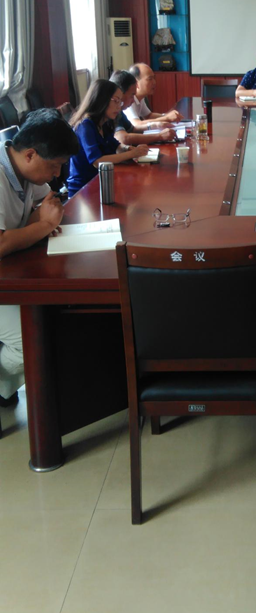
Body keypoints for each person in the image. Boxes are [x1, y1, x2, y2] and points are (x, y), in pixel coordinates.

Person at [0, 109, 79, 405]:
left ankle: (3, 390)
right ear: (30, 155)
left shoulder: (23, 168)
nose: (57, 174)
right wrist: (44, 225)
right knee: (30, 342)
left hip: (10, 271)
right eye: (54, 165)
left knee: (49, 320)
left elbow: (45, 204)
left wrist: (42, 219)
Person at [67, 80, 149, 197]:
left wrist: (127, 148)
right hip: (82, 189)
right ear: (102, 99)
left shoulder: (104, 122)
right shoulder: (85, 125)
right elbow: (97, 161)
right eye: (115, 101)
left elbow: (115, 145)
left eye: (120, 102)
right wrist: (132, 154)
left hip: (102, 182)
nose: (119, 107)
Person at [110, 70, 177, 147]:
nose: (133, 100)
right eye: (132, 96)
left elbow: (133, 129)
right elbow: (123, 138)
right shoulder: (112, 112)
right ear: (120, 93)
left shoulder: (119, 112)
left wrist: (157, 125)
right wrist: (159, 136)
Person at [124, 63, 182, 129]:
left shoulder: (140, 97)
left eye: (154, 78)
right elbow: (137, 124)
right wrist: (167, 118)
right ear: (136, 83)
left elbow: (148, 116)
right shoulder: (129, 99)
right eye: (150, 79)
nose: (154, 82)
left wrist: (166, 115)